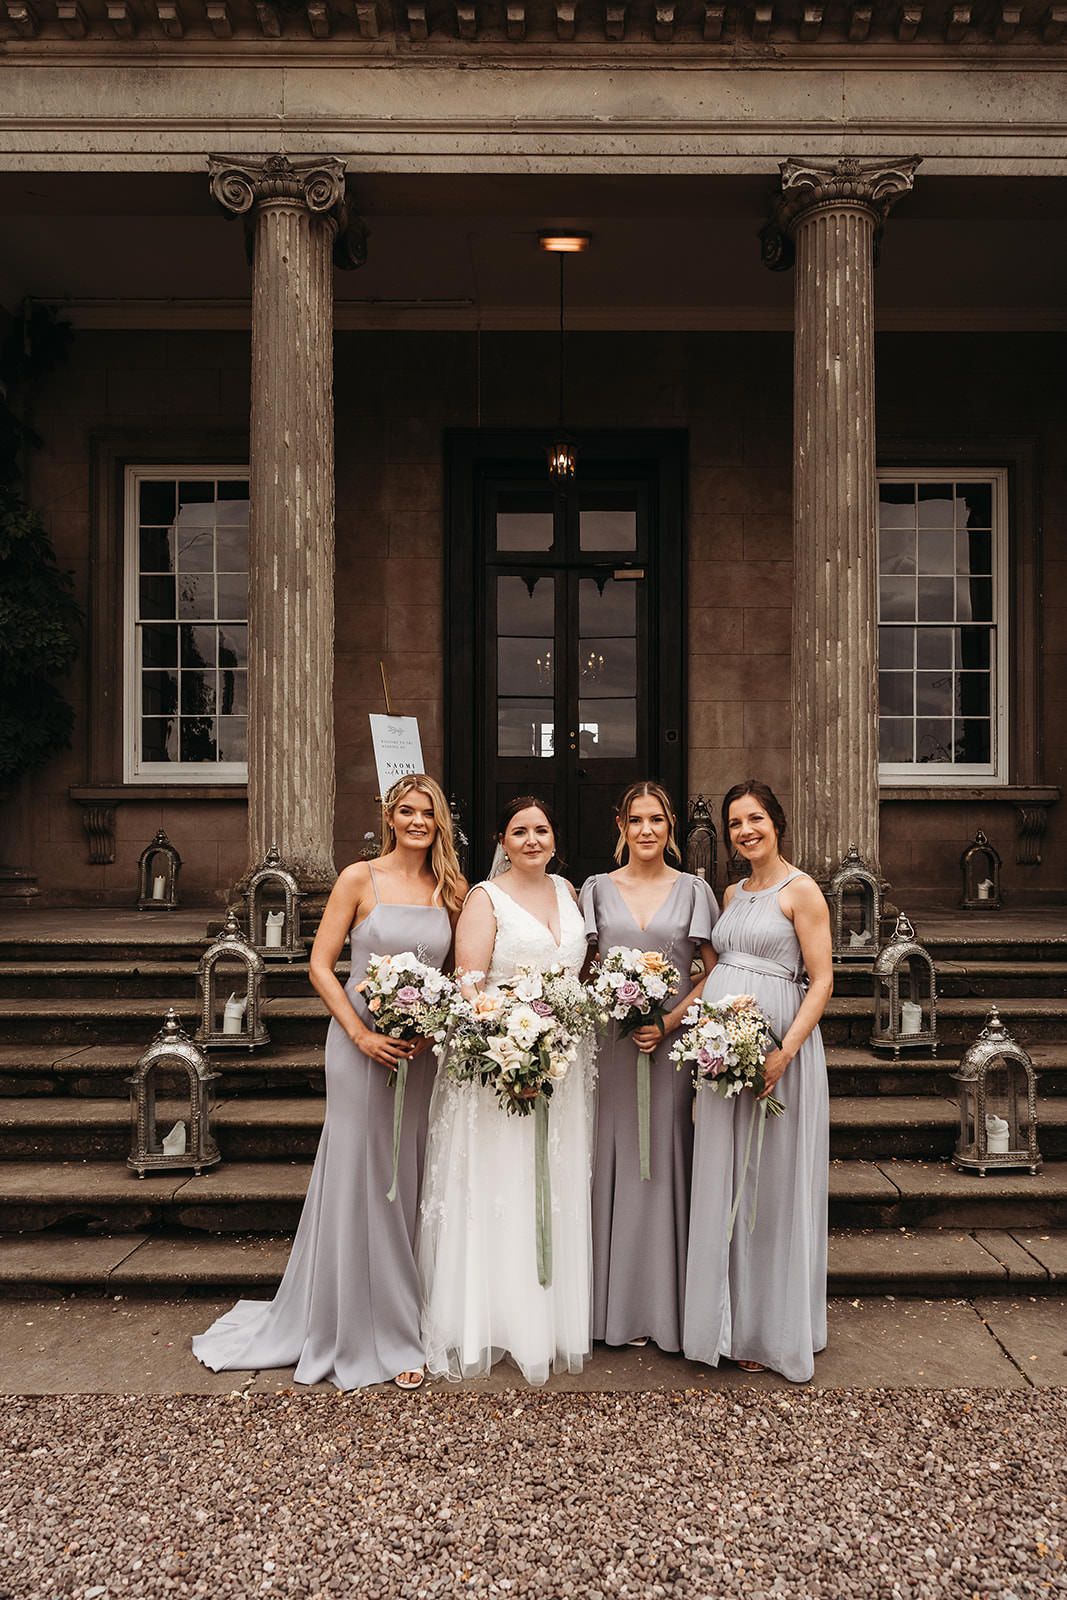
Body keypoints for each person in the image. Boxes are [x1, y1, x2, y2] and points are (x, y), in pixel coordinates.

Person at [193, 774, 465, 1392]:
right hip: (357, 1043)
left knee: (406, 1175)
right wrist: (362, 1034)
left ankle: (400, 1312)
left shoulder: (450, 888)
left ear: (439, 821)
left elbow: (454, 975)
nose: (417, 821)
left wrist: (431, 1027)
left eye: (428, 812)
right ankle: (375, 1331)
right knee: (360, 1177)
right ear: (390, 816)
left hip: (419, 1051)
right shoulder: (357, 878)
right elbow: (321, 965)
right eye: (406, 811)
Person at [417, 796, 595, 1385]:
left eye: (541, 830)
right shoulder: (484, 898)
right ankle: (489, 1320)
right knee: (503, 1184)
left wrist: (554, 1042)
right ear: (502, 840)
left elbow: (575, 976)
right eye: (519, 831)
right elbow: (469, 984)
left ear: (554, 838)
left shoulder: (569, 892)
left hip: (561, 1070)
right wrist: (514, 1048)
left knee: (552, 1184)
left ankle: (546, 1320)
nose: (531, 840)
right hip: (505, 1067)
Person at [682, 780, 832, 1383]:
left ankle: (766, 1327)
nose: (746, 831)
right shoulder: (731, 891)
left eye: (756, 819)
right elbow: (720, 964)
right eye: (735, 823)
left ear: (777, 821)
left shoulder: (803, 892)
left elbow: (820, 980)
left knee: (767, 1183)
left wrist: (783, 1052)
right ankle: (719, 1319)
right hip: (720, 1053)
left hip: (777, 1050)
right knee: (723, 1176)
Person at [579, 781, 719, 1353]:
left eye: (656, 820)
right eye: (635, 820)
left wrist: (667, 1020)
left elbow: (713, 971)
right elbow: (581, 968)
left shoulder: (694, 891)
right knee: (610, 1156)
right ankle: (610, 1308)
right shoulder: (594, 888)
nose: (645, 830)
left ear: (670, 828)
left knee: (664, 1159)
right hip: (611, 1046)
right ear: (621, 826)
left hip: (672, 1047)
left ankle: (666, 1308)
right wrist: (610, 999)